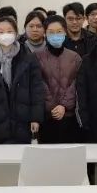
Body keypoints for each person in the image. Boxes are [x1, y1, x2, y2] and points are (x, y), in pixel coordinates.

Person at [0, 17, 47, 144]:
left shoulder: (28, 57)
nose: (5, 35)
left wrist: (35, 118)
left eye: (9, 31)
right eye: (1, 32)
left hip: (23, 120)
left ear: (16, 33)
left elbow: (36, 90)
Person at [35, 15, 83, 143]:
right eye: (51, 32)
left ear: (65, 32)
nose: (55, 35)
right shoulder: (37, 57)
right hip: (46, 117)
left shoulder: (75, 57)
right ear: (45, 34)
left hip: (70, 116)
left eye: (59, 31)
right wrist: (52, 106)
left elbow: (77, 83)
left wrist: (64, 105)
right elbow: (38, 83)